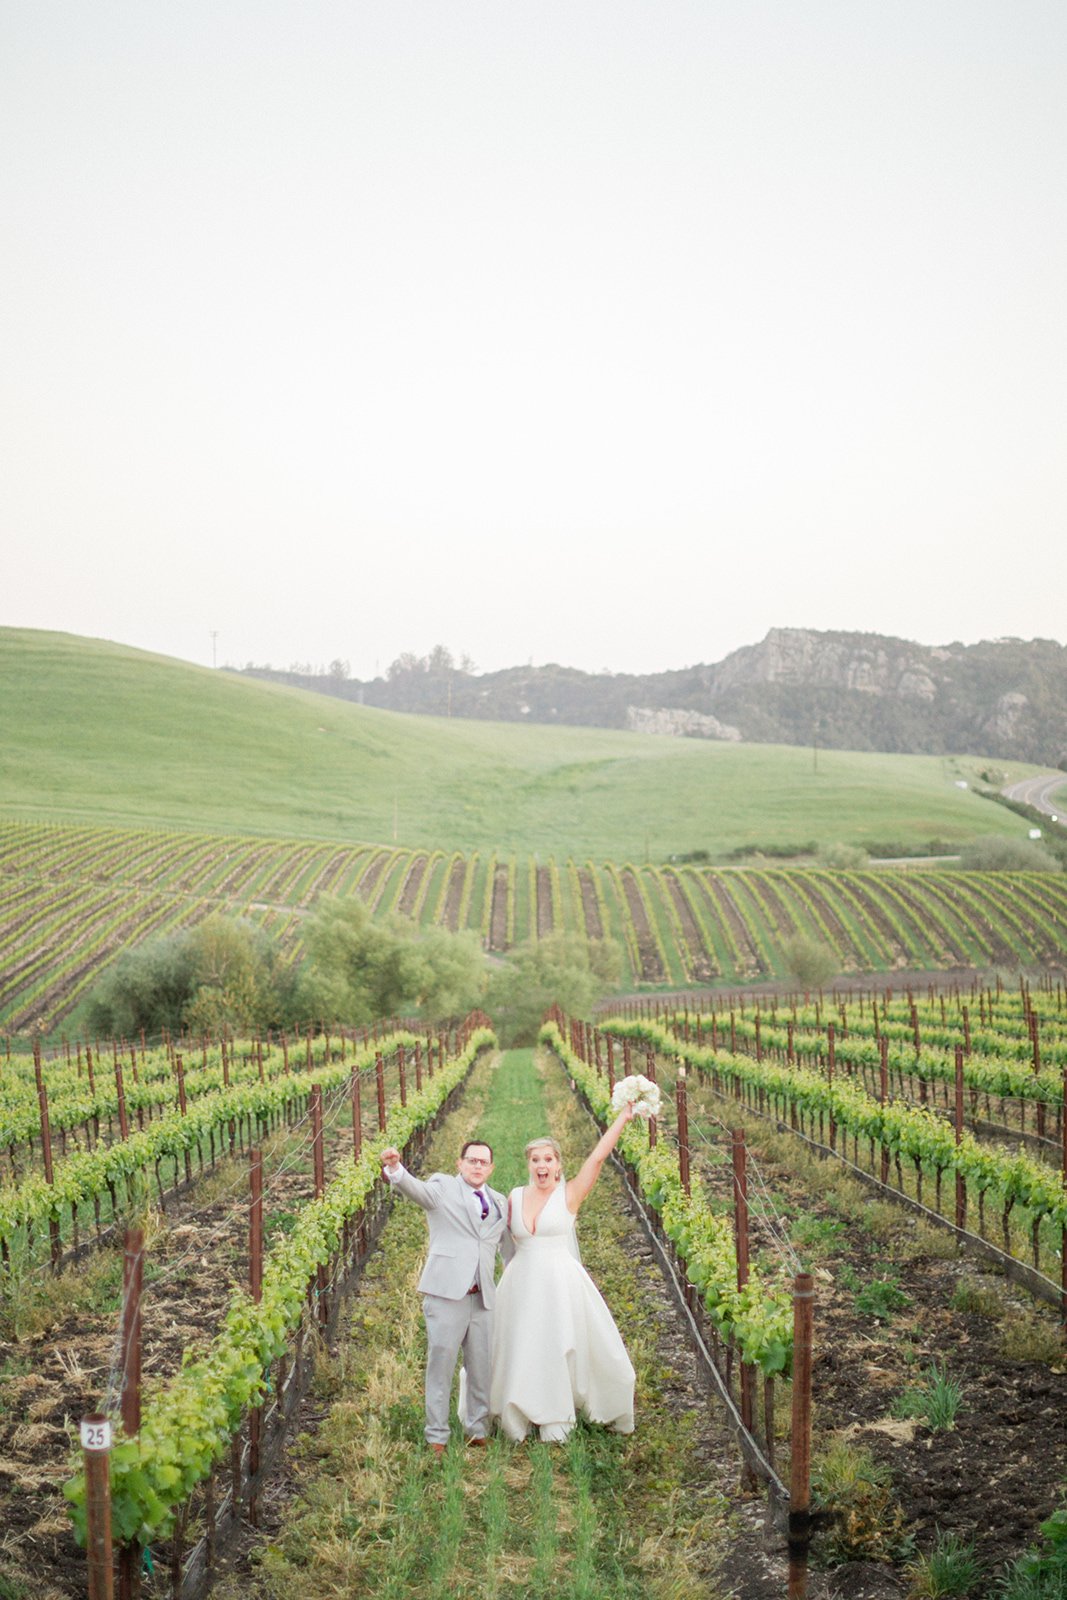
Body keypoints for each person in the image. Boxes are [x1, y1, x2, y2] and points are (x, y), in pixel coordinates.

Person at [489, 1104, 637, 1443]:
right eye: (535, 1160)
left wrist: (623, 1118)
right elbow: (501, 1241)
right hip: (521, 1283)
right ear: (528, 1164)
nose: (542, 1165)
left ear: (558, 1165)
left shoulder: (569, 1195)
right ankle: (516, 1411)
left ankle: (556, 1412)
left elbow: (598, 1157)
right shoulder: (514, 1196)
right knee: (521, 1344)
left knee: (557, 1343)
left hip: (559, 1283)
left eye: (548, 1159)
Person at [380, 1137, 513, 1455]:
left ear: (491, 1168)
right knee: (441, 1365)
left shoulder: (499, 1201)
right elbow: (416, 1190)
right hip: (446, 1295)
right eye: (472, 1160)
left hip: (481, 1297)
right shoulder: (442, 1187)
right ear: (460, 1163)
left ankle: (477, 1428)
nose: (477, 1166)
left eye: (483, 1162)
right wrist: (395, 1169)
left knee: (482, 1366)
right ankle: (436, 1435)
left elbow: (507, 1248)